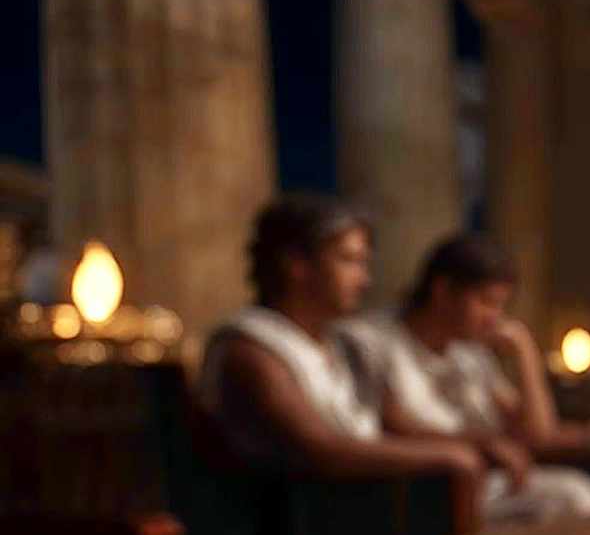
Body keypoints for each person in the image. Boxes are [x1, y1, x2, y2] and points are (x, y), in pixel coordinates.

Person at [339, 234, 590, 507]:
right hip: (431, 482)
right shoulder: (375, 341)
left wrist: (525, 353)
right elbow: (390, 424)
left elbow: (537, 431)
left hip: (486, 471)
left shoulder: (470, 354)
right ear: (442, 290)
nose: (495, 318)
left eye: (500, 306)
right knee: (574, 496)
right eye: (486, 302)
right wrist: (482, 444)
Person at [197, 196, 485, 496]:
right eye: (349, 261)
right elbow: (323, 450)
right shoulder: (251, 348)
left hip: (361, 501)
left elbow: (396, 423)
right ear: (296, 264)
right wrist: (451, 457)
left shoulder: (341, 343)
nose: (364, 280)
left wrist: (479, 444)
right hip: (300, 514)